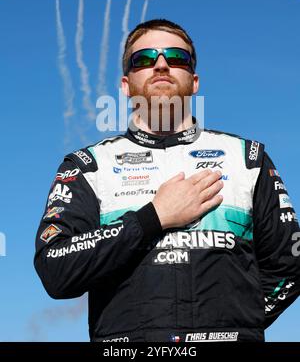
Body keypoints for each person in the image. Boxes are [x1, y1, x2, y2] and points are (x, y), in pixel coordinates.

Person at [34, 19, 300, 343]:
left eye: (176, 58)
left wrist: (236, 327)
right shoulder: (89, 167)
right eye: (143, 59)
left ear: (195, 80)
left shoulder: (248, 158)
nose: (161, 65)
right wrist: (153, 218)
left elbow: (291, 264)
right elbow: (55, 269)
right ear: (125, 85)